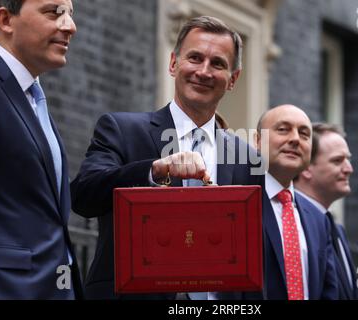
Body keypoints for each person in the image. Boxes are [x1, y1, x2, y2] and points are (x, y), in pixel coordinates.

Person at [70, 16, 262, 299]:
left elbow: (253, 252)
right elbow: (83, 196)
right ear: (174, 64)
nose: (204, 71)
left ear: (233, 79)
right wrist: (154, 171)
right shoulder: (122, 129)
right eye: (194, 58)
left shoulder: (246, 157)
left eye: (218, 63)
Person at [0, 0, 82, 299]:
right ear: (5, 19)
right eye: (53, 12)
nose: (69, 26)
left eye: (70, 14)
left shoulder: (31, 95)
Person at [255, 105, 338, 299]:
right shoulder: (239, 205)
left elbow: (329, 292)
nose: (295, 139)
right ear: (258, 141)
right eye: (283, 129)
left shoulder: (319, 220)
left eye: (304, 134)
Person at [294, 123, 358, 299]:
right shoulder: (292, 227)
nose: (349, 169)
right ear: (306, 167)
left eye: (348, 159)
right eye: (337, 161)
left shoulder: (337, 231)